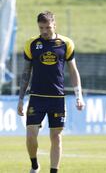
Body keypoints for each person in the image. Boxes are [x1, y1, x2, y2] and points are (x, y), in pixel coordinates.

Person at [16, 11, 85, 173]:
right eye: (41, 27)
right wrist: (20, 99)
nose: (44, 31)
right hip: (36, 98)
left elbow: (73, 71)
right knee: (31, 135)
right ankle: (34, 165)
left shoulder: (66, 43)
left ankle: (54, 171)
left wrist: (78, 96)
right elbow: (26, 72)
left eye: (47, 27)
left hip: (57, 98)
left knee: (56, 137)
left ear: (54, 25)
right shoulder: (32, 44)